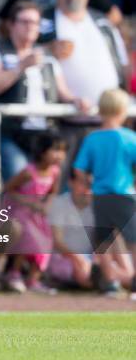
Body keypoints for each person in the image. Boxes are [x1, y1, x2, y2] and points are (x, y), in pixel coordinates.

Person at [39, 0, 131, 185]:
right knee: (62, 191)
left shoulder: (103, 23)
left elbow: (123, 66)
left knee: (106, 190)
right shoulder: (43, 22)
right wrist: (46, 49)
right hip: (64, 124)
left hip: (107, 123)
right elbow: (22, 52)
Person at [0, 0, 83, 182]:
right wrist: (20, 67)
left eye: (35, 22)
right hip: (10, 132)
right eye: (24, 22)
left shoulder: (46, 55)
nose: (30, 27)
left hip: (44, 134)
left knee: (48, 186)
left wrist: (77, 101)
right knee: (20, 184)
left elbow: (63, 92)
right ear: (11, 24)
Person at [73, 88, 136, 299]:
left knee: (104, 241)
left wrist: (86, 183)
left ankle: (110, 282)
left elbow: (80, 168)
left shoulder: (93, 139)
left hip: (100, 196)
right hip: (125, 195)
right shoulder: (128, 137)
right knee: (132, 240)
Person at [47, 170, 134, 290]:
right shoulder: (59, 203)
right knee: (84, 273)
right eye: (84, 183)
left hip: (92, 258)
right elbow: (57, 242)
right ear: (71, 183)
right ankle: (117, 280)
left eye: (91, 184)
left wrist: (98, 260)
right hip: (64, 258)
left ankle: (120, 278)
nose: (88, 189)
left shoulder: (97, 205)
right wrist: (78, 258)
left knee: (113, 235)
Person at [4, 132, 66, 294]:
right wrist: (29, 203)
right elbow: (8, 190)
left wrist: (46, 205)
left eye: (62, 151)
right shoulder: (28, 172)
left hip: (38, 214)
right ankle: (14, 274)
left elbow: (53, 191)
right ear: (42, 152)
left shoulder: (55, 172)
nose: (59, 155)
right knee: (28, 240)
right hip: (21, 213)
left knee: (44, 244)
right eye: (55, 150)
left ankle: (33, 279)